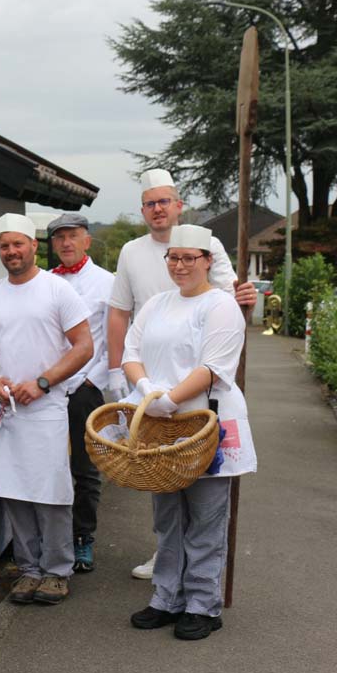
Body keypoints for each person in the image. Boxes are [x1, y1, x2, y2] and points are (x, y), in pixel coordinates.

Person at [106, 169, 258, 579]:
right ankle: (167, 571)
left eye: (164, 201)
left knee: (206, 498)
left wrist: (246, 299)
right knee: (164, 486)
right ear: (143, 211)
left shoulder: (210, 247)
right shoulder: (132, 254)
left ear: (179, 205)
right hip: (151, 380)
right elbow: (120, 312)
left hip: (199, 390)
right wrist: (120, 373)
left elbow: (232, 298)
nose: (157, 209)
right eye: (150, 203)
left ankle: (201, 594)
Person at [122, 224, 256, 640]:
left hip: (205, 425)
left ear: (207, 262)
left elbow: (213, 367)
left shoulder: (220, 306)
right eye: (173, 258)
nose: (180, 266)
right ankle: (166, 597)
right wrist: (147, 390)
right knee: (167, 517)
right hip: (159, 429)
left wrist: (170, 398)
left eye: (188, 259)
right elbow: (131, 352)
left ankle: (202, 604)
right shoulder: (158, 304)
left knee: (206, 517)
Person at [0, 214, 93, 606]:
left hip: (48, 407)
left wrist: (42, 382)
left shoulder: (57, 290)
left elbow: (84, 346)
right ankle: (29, 569)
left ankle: (56, 571)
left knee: (52, 490)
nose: (11, 252)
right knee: (15, 491)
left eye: (18, 244)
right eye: (4, 245)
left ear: (33, 245)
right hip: (7, 413)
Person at [47, 213, 114, 573]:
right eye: (59, 238)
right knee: (48, 464)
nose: (66, 243)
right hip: (48, 387)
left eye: (73, 236)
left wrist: (94, 382)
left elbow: (115, 338)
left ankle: (83, 538)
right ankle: (50, 537)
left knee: (85, 469)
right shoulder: (44, 282)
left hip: (86, 387)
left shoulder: (108, 283)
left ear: (87, 240)